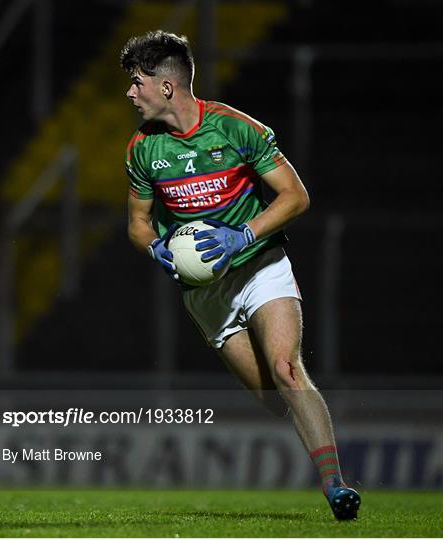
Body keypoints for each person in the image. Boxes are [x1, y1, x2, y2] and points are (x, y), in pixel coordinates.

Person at [121, 29, 361, 520]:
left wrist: (242, 236)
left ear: (166, 87)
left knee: (287, 369)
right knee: (277, 401)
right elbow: (138, 226)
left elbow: (295, 196)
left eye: (136, 81)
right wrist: (158, 249)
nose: (130, 93)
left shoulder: (235, 128)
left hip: (260, 265)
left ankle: (335, 486)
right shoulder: (142, 150)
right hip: (206, 291)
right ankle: (313, 442)